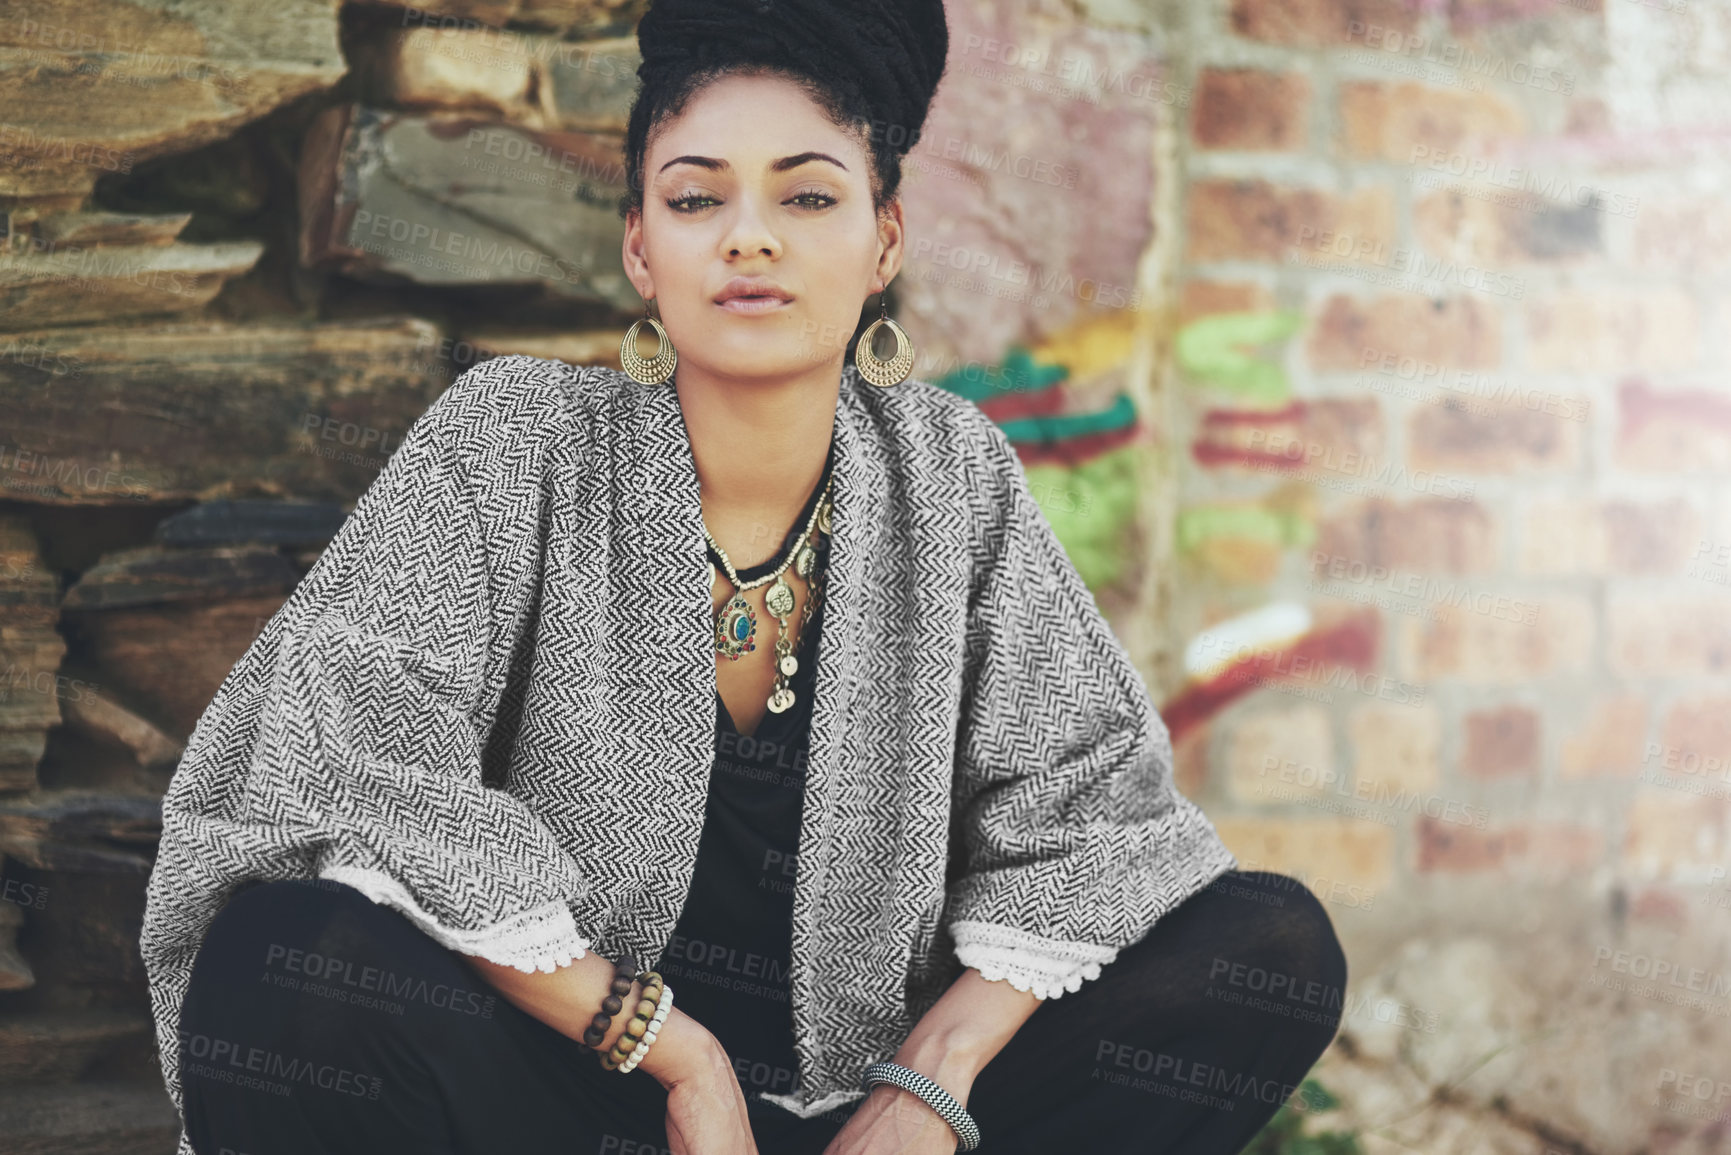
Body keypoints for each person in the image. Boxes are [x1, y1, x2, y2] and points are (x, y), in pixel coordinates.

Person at [141, 0, 1347, 1152]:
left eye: (809, 195)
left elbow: (1092, 818)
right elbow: (352, 756)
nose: (749, 236)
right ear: (639, 248)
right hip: (565, 1099)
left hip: (847, 1112)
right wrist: (675, 1054)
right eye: (695, 196)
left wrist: (927, 1086)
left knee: (1269, 949)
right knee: (282, 967)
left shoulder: (951, 480)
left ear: (884, 242)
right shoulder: (516, 438)